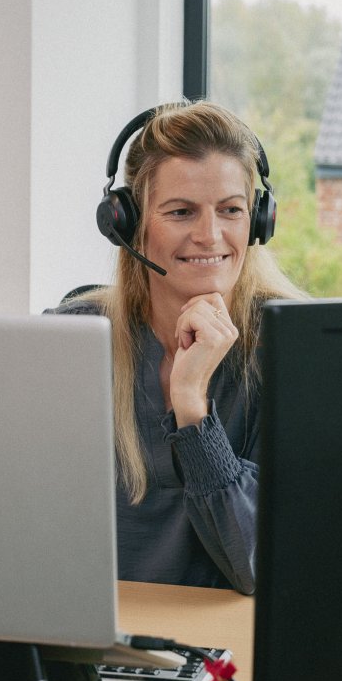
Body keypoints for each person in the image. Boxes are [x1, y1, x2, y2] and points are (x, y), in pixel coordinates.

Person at [51, 100, 304, 594]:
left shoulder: (289, 350)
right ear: (128, 224)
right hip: (97, 636)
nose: (210, 235)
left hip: (223, 650)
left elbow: (262, 567)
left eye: (231, 210)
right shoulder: (76, 340)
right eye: (181, 212)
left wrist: (192, 408)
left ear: (257, 221)